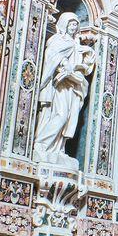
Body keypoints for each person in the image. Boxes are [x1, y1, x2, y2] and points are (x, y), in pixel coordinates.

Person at [33, 13, 96, 168]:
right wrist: (64, 64)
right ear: (64, 25)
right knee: (60, 115)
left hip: (71, 86)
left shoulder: (75, 44)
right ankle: (41, 144)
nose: (73, 27)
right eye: (71, 24)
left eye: (75, 24)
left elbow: (84, 62)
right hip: (58, 85)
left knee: (68, 117)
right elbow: (52, 58)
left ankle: (59, 148)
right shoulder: (57, 40)